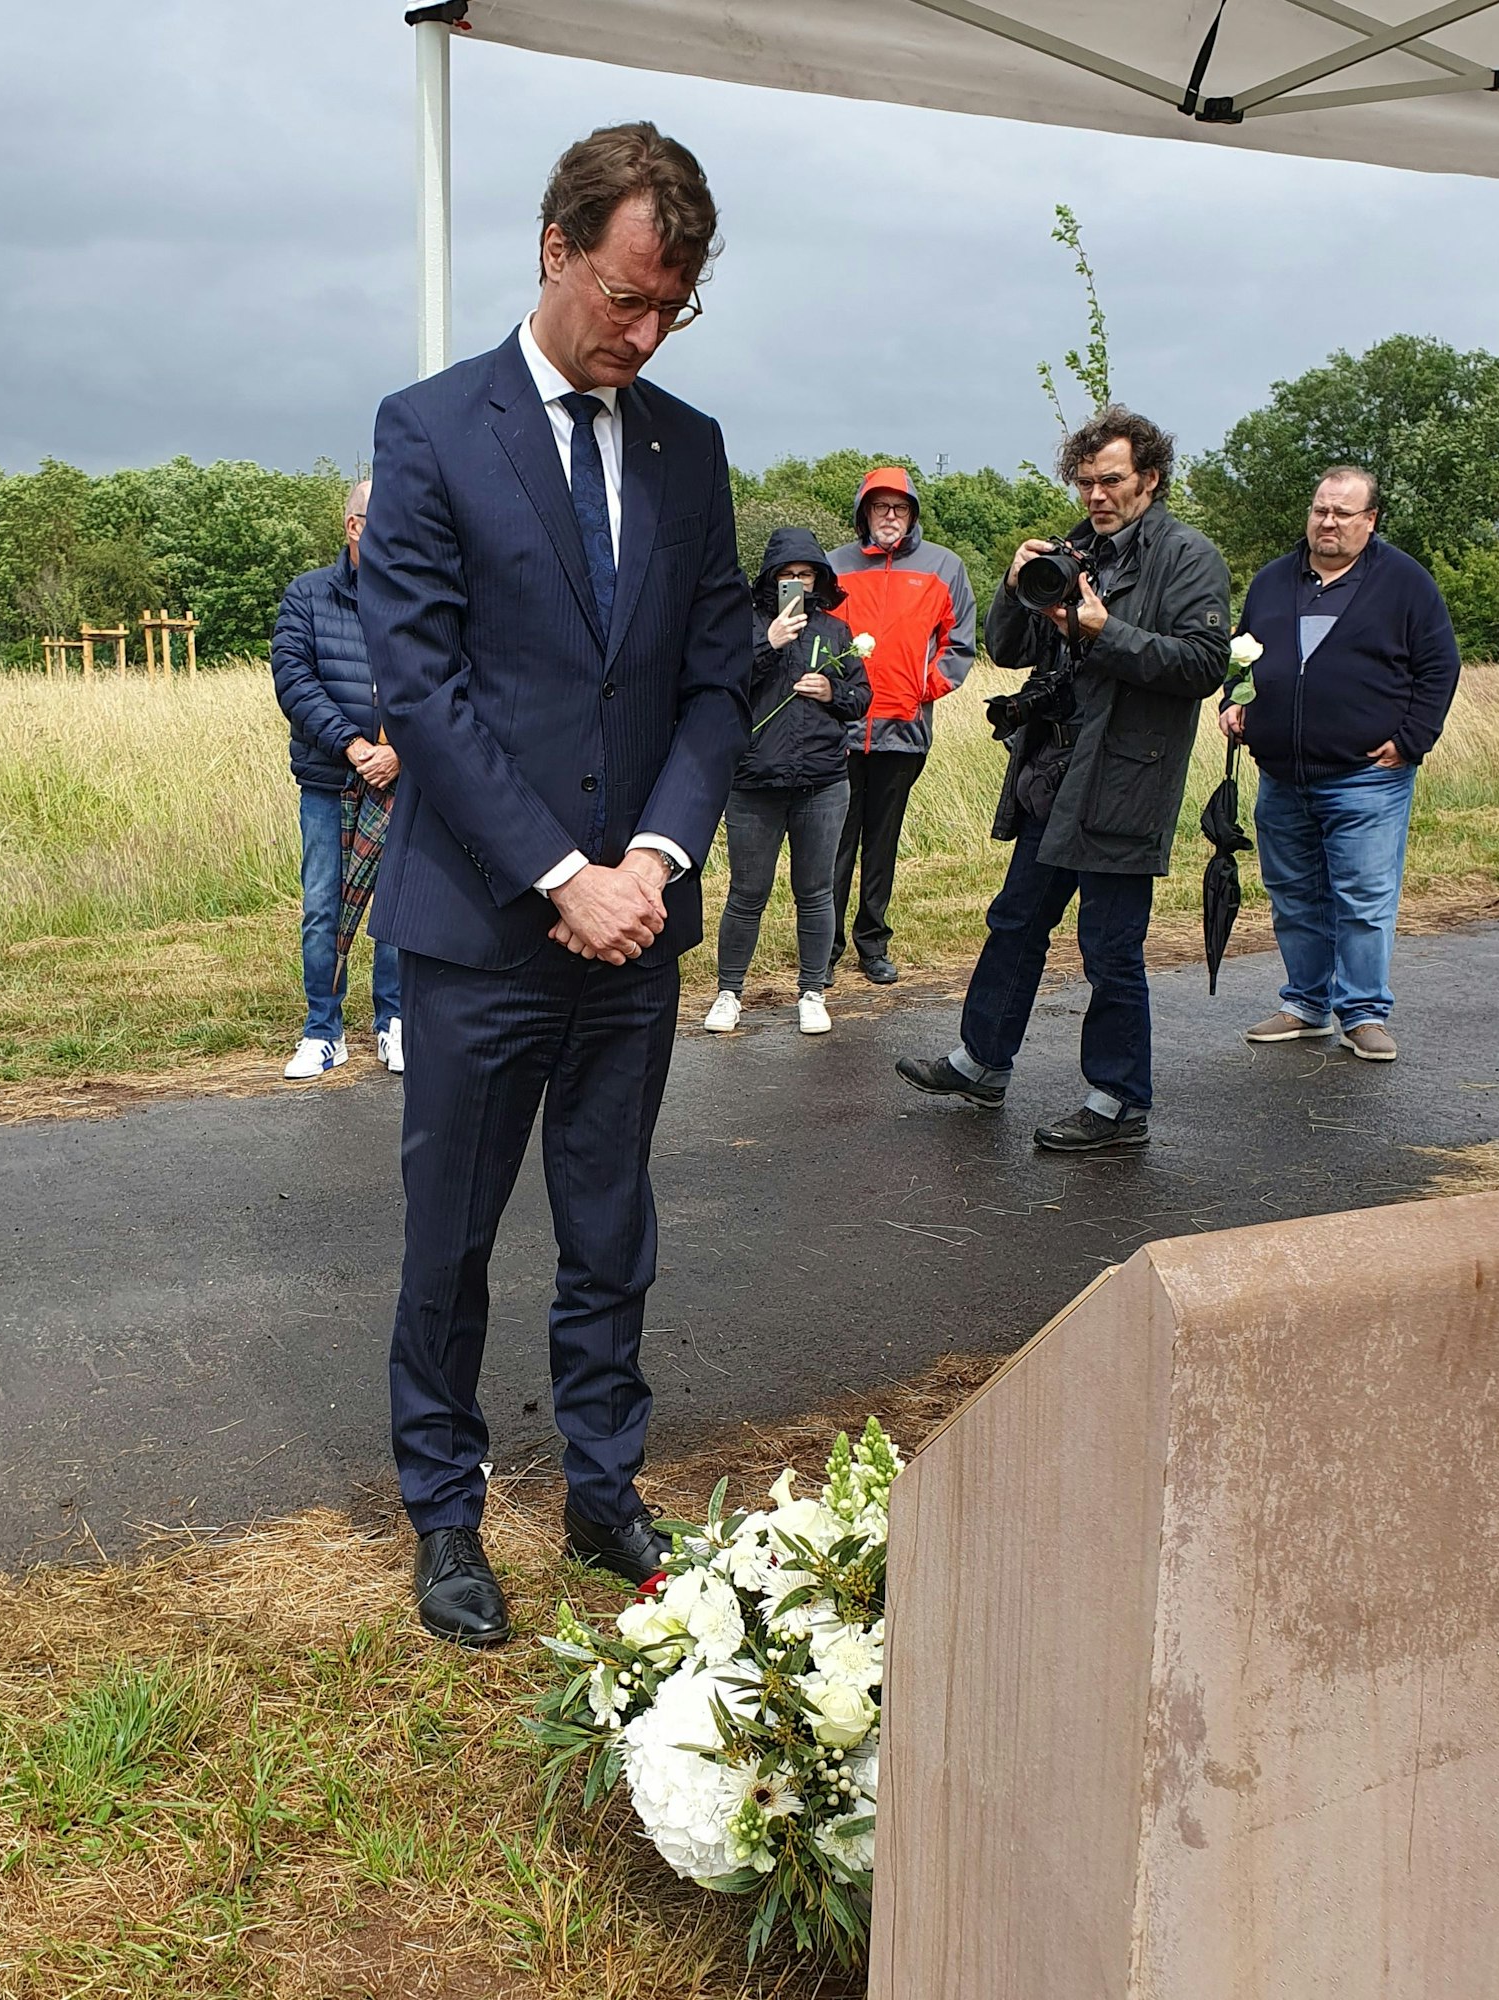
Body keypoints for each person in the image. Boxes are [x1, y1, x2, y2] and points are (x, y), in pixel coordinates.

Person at [357, 124, 748, 1647]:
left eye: (672, 313)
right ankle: (445, 1511)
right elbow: (426, 685)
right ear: (554, 249)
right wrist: (558, 874)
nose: (642, 337)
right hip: (482, 930)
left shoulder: (687, 446)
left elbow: (719, 681)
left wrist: (651, 857)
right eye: (626, 299)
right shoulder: (432, 431)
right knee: (451, 1233)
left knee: (611, 1223)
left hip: (634, 931)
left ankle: (602, 1485)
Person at [896, 406, 1230, 1152]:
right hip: (1055, 769)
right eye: (1084, 482)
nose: (1095, 495)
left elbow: (1203, 666)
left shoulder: (1187, 556)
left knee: (1110, 946)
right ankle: (982, 1063)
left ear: (1149, 477)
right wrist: (1019, 586)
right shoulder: (1074, 549)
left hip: (1126, 776)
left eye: (1110, 480)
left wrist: (1103, 632)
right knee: (1015, 920)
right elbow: (1011, 649)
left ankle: (1119, 1100)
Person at [1222, 467, 1461, 1062]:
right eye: (1320, 510)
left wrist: (1412, 740)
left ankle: (1363, 1013)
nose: (1328, 523)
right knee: (1294, 893)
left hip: (1366, 777)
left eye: (1343, 513)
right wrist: (1231, 700)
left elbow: (1440, 666)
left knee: (1362, 897)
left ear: (1370, 520)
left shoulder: (1404, 582)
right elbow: (1240, 652)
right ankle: (1305, 1005)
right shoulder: (1275, 580)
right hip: (1280, 771)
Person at [703, 529, 871, 1037]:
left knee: (816, 891)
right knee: (747, 893)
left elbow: (861, 698)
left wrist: (831, 690)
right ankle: (729, 992)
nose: (797, 582)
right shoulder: (745, 626)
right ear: (770, 579)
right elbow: (720, 684)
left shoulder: (837, 631)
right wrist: (768, 642)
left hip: (822, 781)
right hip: (753, 782)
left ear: (819, 579)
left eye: (805, 574)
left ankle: (813, 992)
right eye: (787, 575)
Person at [270, 478, 404, 1079]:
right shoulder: (307, 597)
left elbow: (443, 676)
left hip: (402, 780)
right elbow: (294, 681)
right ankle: (323, 1031)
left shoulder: (414, 597)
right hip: (329, 780)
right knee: (324, 905)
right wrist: (354, 747)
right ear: (355, 527)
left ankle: (392, 1023)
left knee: (396, 908)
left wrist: (401, 748)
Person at [826, 467, 975, 985]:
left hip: (903, 729)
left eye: (900, 508)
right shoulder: (834, 567)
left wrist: (920, 690)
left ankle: (872, 943)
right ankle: (825, 946)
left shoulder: (944, 567)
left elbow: (959, 645)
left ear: (912, 513)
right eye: (879, 507)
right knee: (835, 843)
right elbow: (816, 638)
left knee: (882, 843)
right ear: (864, 512)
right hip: (841, 729)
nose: (890, 517)